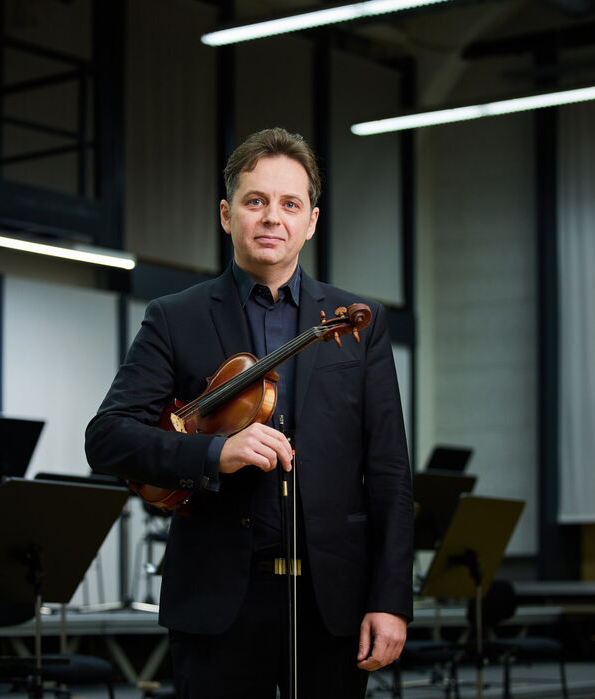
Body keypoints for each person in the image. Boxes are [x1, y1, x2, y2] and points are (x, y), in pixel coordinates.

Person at [85, 127, 414, 698]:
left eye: (290, 204)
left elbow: (389, 472)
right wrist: (214, 452)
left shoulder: (359, 323)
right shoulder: (175, 317)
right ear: (226, 213)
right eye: (255, 201)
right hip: (217, 603)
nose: (272, 218)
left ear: (311, 221)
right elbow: (107, 438)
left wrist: (390, 600)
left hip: (331, 602)